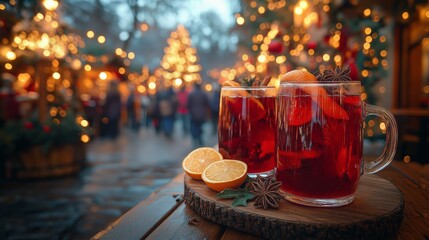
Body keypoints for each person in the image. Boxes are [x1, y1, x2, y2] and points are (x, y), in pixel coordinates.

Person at [188, 82, 210, 147]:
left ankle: (195, 137)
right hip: (202, 114)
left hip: (194, 113)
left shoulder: (191, 94)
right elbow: (207, 103)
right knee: (200, 126)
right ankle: (199, 138)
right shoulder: (203, 94)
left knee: (194, 126)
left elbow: (189, 104)